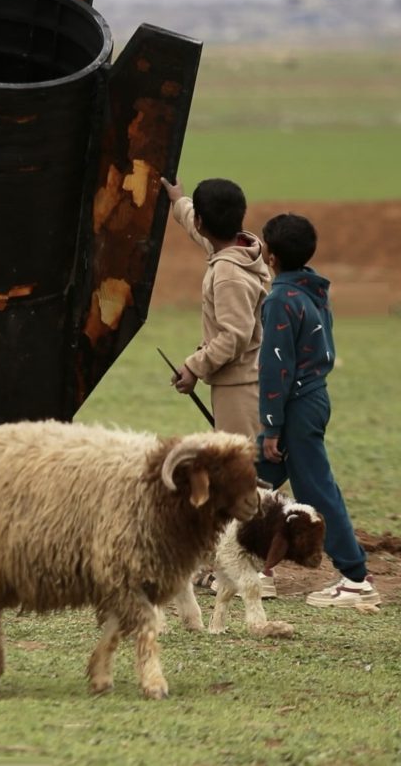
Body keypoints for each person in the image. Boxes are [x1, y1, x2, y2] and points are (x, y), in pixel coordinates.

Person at [256, 213, 379, 608]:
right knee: (253, 482)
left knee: (316, 492)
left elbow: (276, 367)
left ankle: (355, 578)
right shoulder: (312, 290)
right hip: (312, 398)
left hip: (296, 407)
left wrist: (271, 426)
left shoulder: (279, 300)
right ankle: (238, 565)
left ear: (270, 256)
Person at [160, 177, 270, 441]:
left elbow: (235, 335)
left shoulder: (228, 274)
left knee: (243, 471)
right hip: (248, 378)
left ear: (202, 221)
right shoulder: (240, 248)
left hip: (239, 389)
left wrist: (194, 366)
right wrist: (179, 201)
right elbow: (198, 229)